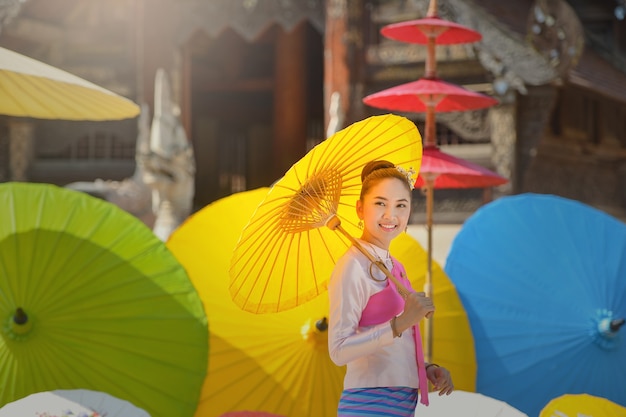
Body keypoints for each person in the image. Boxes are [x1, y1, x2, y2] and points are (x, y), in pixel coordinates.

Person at [328, 160, 454, 416]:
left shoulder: (395, 266)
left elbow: (396, 345)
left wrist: (425, 368)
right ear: (360, 209)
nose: (390, 215)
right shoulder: (352, 266)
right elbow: (339, 351)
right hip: (369, 403)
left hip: (403, 403)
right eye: (380, 203)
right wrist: (401, 322)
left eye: (401, 205)